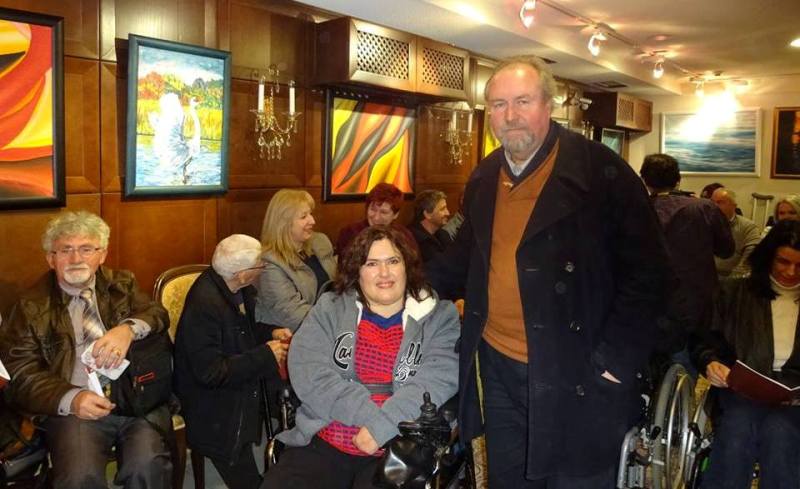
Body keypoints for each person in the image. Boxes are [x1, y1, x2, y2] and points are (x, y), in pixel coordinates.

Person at [426, 55, 672, 487]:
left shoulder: (602, 173)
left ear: (548, 104)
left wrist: (614, 362)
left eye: (522, 101)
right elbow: (463, 259)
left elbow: (651, 273)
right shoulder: (485, 177)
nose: (510, 115)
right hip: (499, 367)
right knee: (510, 480)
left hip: (579, 369)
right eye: (499, 104)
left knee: (575, 480)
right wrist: (394, 283)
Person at [260, 225, 459, 489]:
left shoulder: (440, 317)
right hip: (326, 435)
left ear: (407, 266)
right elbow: (309, 370)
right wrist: (369, 416)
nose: (384, 273)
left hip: (399, 448)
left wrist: (383, 427)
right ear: (357, 271)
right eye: (372, 263)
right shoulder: (330, 309)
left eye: (393, 261)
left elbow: (435, 381)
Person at [0, 211, 171, 489]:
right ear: (50, 258)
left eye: (86, 249)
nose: (76, 259)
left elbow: (157, 314)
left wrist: (127, 329)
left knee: (147, 465)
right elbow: (20, 374)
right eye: (65, 250)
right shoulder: (29, 306)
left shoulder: (122, 284)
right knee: (79, 477)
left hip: (132, 399)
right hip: (74, 411)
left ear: (102, 255)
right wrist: (72, 398)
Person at [691, 220, 800, 489]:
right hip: (742, 389)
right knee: (738, 429)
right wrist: (710, 362)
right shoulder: (733, 293)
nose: (791, 271)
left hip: (795, 398)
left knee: (780, 434)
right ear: (768, 256)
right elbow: (705, 339)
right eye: (783, 261)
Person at [174, 234, 289, 489]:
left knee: (289, 393)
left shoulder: (236, 288)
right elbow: (211, 372)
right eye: (260, 265)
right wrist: (265, 355)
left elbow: (243, 331)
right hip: (209, 401)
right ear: (243, 274)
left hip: (234, 379)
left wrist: (270, 332)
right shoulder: (205, 304)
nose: (263, 269)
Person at [639, 154, 734, 363]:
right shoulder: (704, 208)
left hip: (648, 303)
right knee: (693, 362)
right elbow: (727, 250)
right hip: (697, 304)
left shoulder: (636, 209)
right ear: (678, 179)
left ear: (644, 179)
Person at [256, 189, 337, 332]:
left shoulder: (320, 242)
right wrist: (338, 320)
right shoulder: (270, 263)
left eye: (310, 214)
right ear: (284, 223)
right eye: (304, 216)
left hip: (329, 325)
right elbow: (292, 313)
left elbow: (339, 285)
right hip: (294, 335)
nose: (312, 221)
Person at [335, 182, 417, 256]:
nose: (376, 217)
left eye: (383, 212)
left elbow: (414, 264)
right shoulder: (350, 233)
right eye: (373, 210)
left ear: (396, 215)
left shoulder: (404, 236)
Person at [711, 188, 761, 278]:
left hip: (732, 278)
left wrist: (732, 281)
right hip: (706, 276)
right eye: (712, 202)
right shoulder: (705, 224)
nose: (714, 206)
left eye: (720, 202)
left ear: (733, 206)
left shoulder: (748, 227)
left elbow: (749, 258)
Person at [408, 189, 452, 262]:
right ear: (427, 214)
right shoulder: (411, 239)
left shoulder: (444, 234)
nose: (448, 213)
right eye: (442, 209)